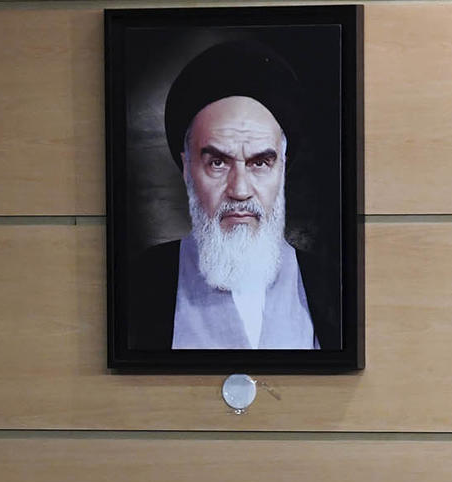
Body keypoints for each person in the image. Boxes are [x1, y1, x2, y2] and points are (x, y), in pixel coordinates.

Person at [127, 38, 338, 351]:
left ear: (282, 169)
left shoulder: (332, 286)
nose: (239, 190)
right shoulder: (139, 285)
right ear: (187, 168)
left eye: (260, 163)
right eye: (217, 163)